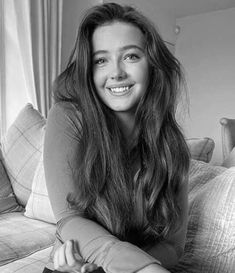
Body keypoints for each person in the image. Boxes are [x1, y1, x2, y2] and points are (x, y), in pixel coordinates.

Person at [42, 2, 190, 273]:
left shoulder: (172, 145)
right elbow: (69, 219)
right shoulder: (67, 116)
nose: (116, 72)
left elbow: (173, 245)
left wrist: (134, 266)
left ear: (153, 65)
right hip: (76, 267)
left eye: (131, 56)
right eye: (101, 60)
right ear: (89, 70)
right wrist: (131, 266)